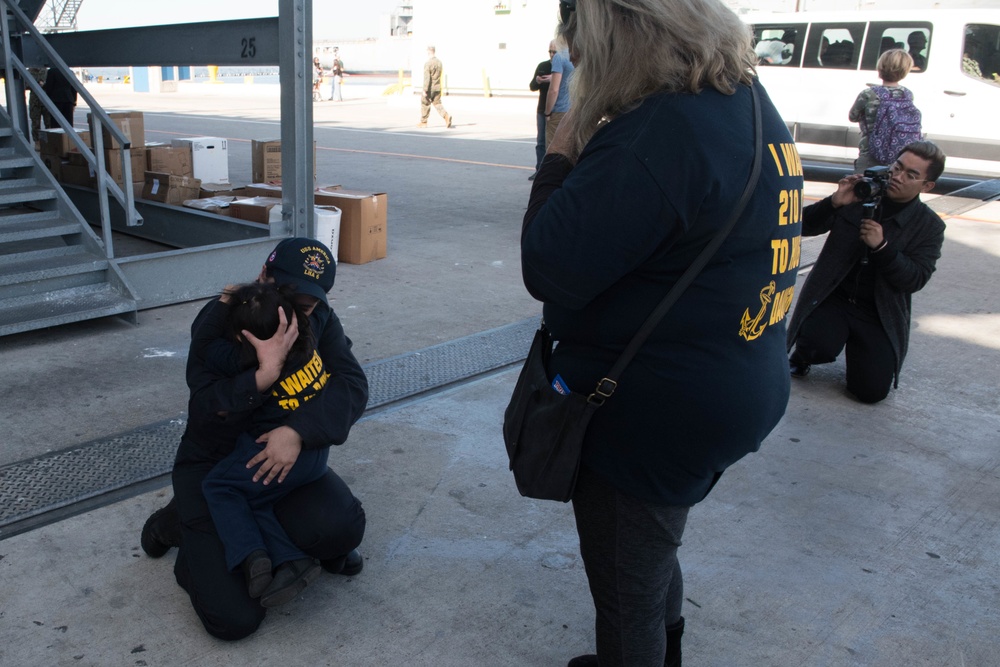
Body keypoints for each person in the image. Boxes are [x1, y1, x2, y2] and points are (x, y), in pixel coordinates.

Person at [520, 1, 801, 665]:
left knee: (625, 588)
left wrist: (560, 152)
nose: (581, 60)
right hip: (736, 376)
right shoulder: (748, 102)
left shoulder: (660, 134)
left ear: (627, 34)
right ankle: (664, 649)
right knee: (649, 549)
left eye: (585, 43)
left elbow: (548, 266)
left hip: (653, 408)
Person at [140, 237, 368, 641]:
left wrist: (297, 431)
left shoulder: (319, 316)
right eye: (290, 298)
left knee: (341, 529)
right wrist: (262, 374)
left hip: (283, 454)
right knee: (235, 619)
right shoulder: (220, 321)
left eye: (308, 306)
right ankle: (179, 527)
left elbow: (350, 382)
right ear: (263, 276)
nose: (296, 317)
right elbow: (207, 409)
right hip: (218, 460)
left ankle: (277, 539)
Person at [199, 282, 333, 608]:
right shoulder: (308, 343)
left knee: (219, 486)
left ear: (244, 339)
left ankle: (251, 554)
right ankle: (292, 561)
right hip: (314, 450)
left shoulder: (249, 360)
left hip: (278, 455)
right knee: (255, 497)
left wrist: (224, 303)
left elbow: (204, 346)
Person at [787, 141, 946, 404]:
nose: (898, 177)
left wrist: (883, 248)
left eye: (911, 175)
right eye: (898, 167)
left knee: (869, 392)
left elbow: (915, 279)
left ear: (927, 186)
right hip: (833, 297)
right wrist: (834, 203)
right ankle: (806, 351)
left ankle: (859, 351)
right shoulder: (861, 196)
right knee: (818, 346)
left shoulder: (929, 226)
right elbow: (800, 226)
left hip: (877, 311)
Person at [848, 49, 918, 173]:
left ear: (880, 68)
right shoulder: (907, 94)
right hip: (898, 155)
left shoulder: (868, 94)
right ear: (905, 71)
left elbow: (853, 116)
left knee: (863, 187)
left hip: (870, 153)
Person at [528, 42, 556, 180]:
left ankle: (550, 171)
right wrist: (538, 81)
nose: (551, 55)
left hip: (556, 111)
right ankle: (539, 169)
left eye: (554, 52)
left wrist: (554, 79)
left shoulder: (562, 66)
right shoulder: (543, 66)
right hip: (542, 109)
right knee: (541, 141)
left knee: (553, 140)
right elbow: (532, 86)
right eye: (550, 51)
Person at [543, 38, 574, 150]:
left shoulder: (559, 57)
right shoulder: (578, 54)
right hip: (575, 109)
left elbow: (554, 90)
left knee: (553, 150)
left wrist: (547, 112)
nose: (551, 54)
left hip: (560, 111)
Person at [419, 46, 452, 128]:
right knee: (437, 103)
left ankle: (423, 122)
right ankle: (446, 116)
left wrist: (425, 90)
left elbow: (427, 78)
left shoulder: (428, 63)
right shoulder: (439, 62)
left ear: (428, 52)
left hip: (430, 88)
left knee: (425, 103)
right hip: (437, 87)